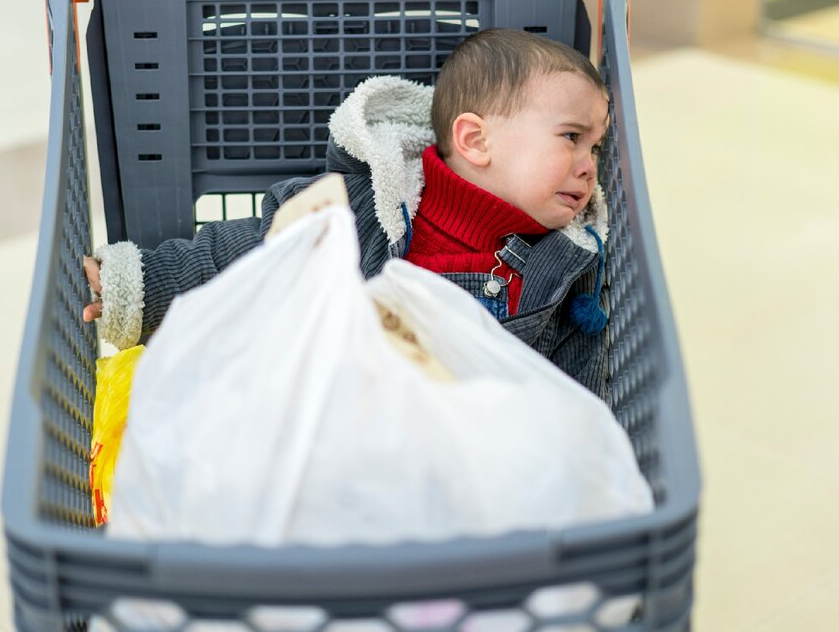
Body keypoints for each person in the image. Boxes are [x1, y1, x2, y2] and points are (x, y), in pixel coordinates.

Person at [83, 27, 614, 397]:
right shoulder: (359, 210)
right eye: (572, 138)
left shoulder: (559, 270)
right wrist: (141, 286)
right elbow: (242, 258)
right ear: (475, 140)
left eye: (595, 147)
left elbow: (567, 393)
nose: (590, 167)